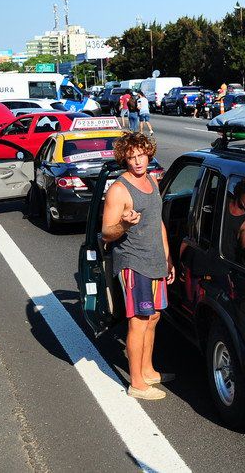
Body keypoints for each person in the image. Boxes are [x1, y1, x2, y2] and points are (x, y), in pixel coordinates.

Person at [102, 132, 174, 400]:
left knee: (153, 317)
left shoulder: (152, 180)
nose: (137, 161)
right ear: (125, 159)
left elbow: (158, 223)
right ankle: (137, 384)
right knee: (139, 321)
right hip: (134, 262)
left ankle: (147, 371)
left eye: (141, 155)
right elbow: (107, 233)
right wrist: (125, 224)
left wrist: (168, 258)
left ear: (148, 153)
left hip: (155, 259)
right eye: (131, 157)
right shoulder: (119, 189)